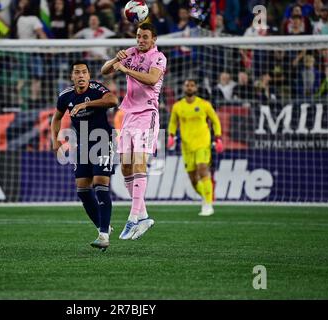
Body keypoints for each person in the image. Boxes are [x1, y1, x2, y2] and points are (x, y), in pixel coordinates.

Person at [101, 22, 167, 241]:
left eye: (145, 37)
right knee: (126, 166)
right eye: (138, 36)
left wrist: (126, 68)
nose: (141, 40)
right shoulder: (130, 52)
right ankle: (145, 217)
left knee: (139, 162)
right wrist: (115, 59)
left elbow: (151, 79)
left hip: (148, 113)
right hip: (128, 114)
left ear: (153, 39)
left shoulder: (158, 57)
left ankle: (132, 218)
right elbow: (104, 71)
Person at [51, 60, 119, 250]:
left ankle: (104, 236)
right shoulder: (65, 95)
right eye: (77, 73)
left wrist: (84, 105)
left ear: (89, 76)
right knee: (82, 190)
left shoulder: (97, 89)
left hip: (103, 140)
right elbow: (56, 118)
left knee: (100, 183)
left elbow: (113, 101)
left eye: (84, 72)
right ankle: (103, 227)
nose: (80, 76)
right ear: (72, 77)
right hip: (82, 145)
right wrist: (56, 141)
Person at [167, 79, 223, 216]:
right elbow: (173, 123)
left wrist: (218, 137)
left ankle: (209, 204)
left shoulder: (204, 105)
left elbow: (215, 121)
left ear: (196, 88)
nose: (190, 87)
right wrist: (171, 135)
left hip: (202, 143)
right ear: (183, 88)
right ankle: (205, 197)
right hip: (186, 146)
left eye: (192, 85)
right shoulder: (177, 107)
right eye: (187, 85)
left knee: (203, 169)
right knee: (193, 179)